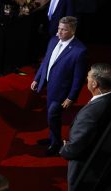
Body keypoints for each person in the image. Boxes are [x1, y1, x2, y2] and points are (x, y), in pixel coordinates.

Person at [30, 16, 87, 156]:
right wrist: (37, 78)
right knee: (51, 116)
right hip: (49, 86)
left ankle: (55, 144)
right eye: (59, 28)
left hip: (62, 92)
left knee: (52, 115)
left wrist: (71, 97)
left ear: (73, 31)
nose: (59, 32)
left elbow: (78, 78)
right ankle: (52, 139)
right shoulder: (53, 40)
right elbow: (46, 61)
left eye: (63, 30)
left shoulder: (80, 51)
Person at [60, 63, 111, 191]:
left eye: (88, 76)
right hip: (102, 160)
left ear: (94, 84)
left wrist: (65, 149)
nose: (86, 79)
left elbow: (77, 147)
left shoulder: (90, 113)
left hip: (84, 165)